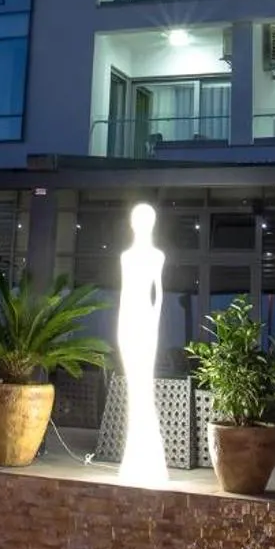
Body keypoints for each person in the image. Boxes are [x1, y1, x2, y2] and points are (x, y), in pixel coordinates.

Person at [116, 203, 167, 484]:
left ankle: (148, 458)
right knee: (135, 390)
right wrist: (123, 326)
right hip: (128, 322)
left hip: (147, 322)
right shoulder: (125, 256)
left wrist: (153, 325)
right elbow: (125, 295)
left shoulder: (158, 256)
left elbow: (158, 296)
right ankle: (134, 457)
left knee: (144, 388)